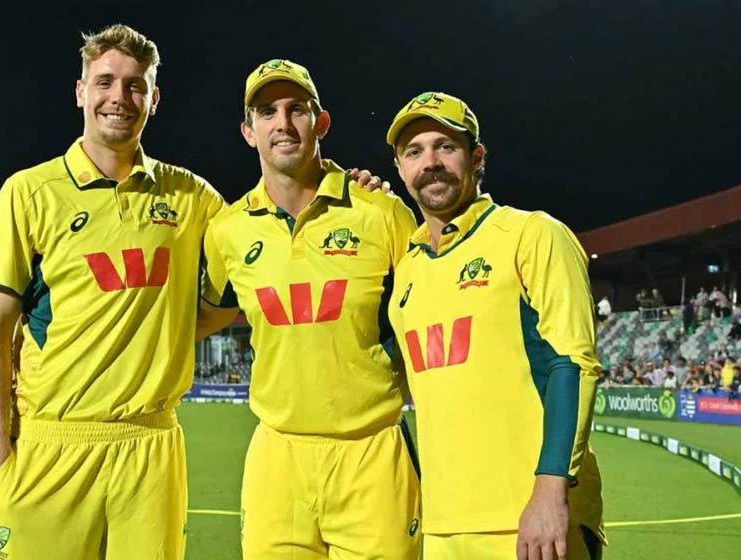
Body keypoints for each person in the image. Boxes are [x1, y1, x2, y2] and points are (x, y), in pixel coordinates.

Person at [0, 24, 237, 559]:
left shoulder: (193, 198)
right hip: (51, 447)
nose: (119, 97)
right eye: (105, 82)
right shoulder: (29, 192)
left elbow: (262, 249)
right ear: (80, 92)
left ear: (154, 100)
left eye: (136, 85)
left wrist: (343, 188)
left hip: (151, 449)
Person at [199, 59, 422, 559]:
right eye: (266, 112)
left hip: (372, 454)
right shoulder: (227, 231)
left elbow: (427, 316)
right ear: (248, 132)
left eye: (296, 109)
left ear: (321, 123)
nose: (282, 123)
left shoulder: (382, 213)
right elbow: (204, 316)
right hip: (277, 459)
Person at [385, 92, 604, 559]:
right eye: (415, 151)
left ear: (477, 157)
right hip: (443, 528)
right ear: (400, 170)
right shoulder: (407, 269)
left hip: (530, 520)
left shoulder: (533, 234)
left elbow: (573, 364)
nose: (431, 162)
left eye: (446, 146)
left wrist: (550, 490)